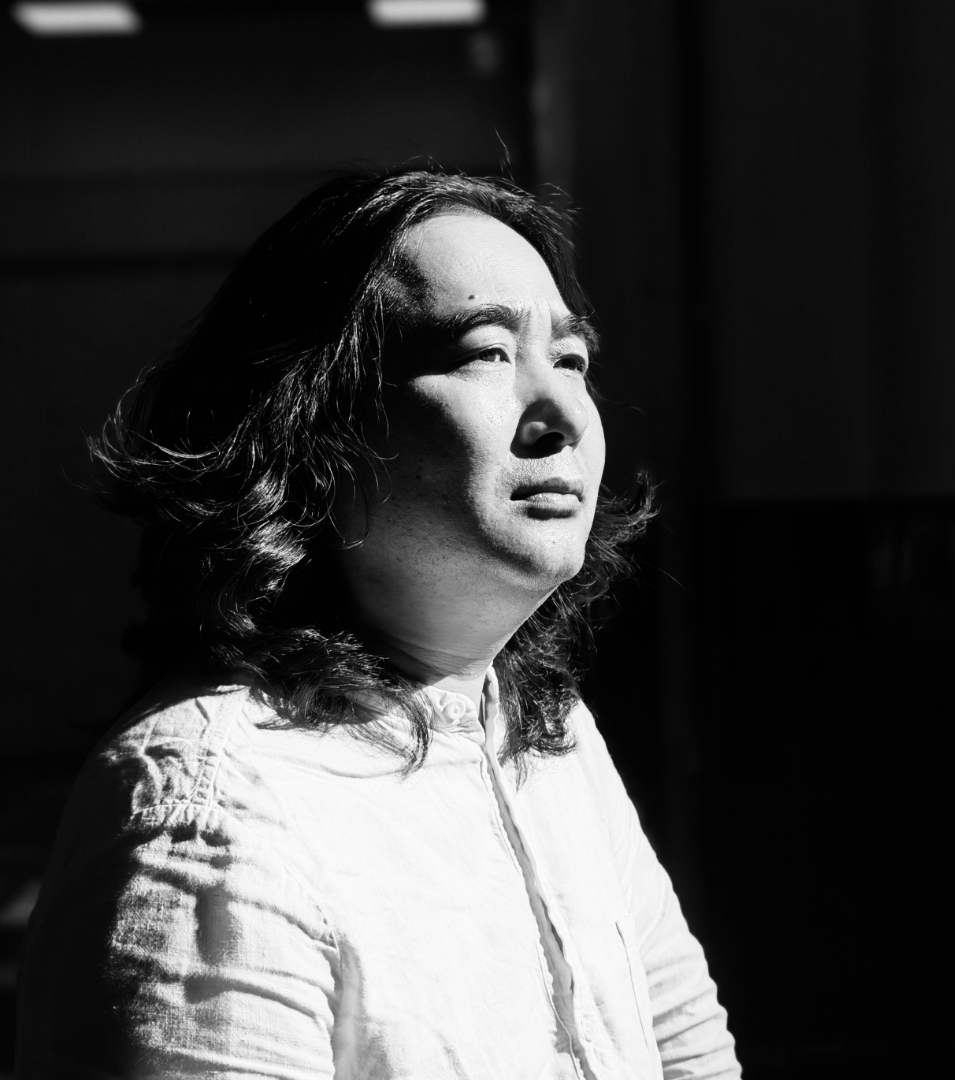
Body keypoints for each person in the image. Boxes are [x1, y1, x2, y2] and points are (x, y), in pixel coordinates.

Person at [17, 168, 740, 1079]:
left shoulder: (547, 736)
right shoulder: (209, 809)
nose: (562, 415)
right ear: (311, 428)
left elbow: (690, 1051)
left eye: (571, 360)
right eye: (486, 352)